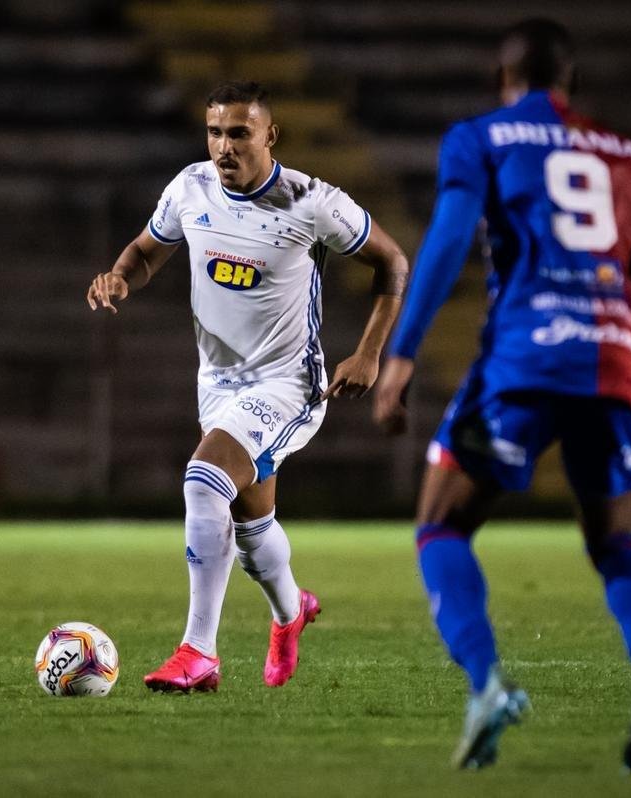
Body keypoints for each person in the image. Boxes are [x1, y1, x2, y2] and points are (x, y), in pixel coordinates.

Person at [373, 19, 631, 772]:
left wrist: (402, 353)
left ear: (505, 82)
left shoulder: (481, 138)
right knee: (615, 543)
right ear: (571, 85)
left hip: (525, 361)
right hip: (617, 364)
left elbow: (452, 234)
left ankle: (487, 686)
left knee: (440, 526)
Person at [87, 81, 409, 692]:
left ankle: (198, 653)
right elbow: (146, 250)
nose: (224, 147)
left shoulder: (313, 202)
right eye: (215, 132)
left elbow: (393, 263)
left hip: (289, 382)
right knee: (251, 523)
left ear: (270, 135)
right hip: (217, 383)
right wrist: (122, 277)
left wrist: (369, 352)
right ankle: (292, 614)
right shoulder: (190, 188)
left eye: (239, 132)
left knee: (204, 480)